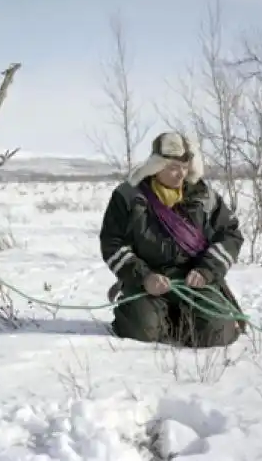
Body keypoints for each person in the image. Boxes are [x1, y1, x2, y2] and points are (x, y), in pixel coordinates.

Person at [99, 131, 246, 348]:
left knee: (216, 332)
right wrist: (144, 277)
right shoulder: (128, 197)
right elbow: (113, 243)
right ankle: (154, 316)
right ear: (156, 166)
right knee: (140, 328)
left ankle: (187, 320)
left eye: (185, 167)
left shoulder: (204, 196)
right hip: (148, 283)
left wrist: (206, 271)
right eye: (173, 167)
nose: (180, 174)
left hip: (195, 282)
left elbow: (230, 234)